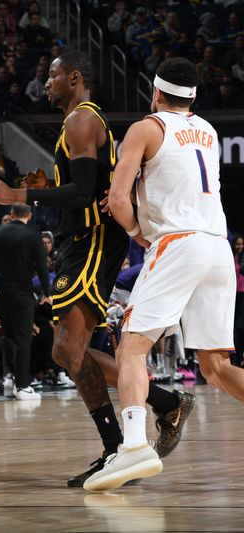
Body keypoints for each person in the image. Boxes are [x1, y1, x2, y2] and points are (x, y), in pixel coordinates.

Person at [0, 51, 191, 487]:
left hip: (92, 241)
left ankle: (144, 424)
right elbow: (84, 186)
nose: (45, 83)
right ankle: (138, 426)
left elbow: (81, 194)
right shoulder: (79, 122)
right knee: (64, 352)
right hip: (82, 241)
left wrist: (18, 193)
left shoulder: (80, 120)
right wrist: (49, 186)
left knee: (71, 350)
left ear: (74, 78)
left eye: (52, 75)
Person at [85, 58, 242, 491]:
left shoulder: (146, 127)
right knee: (216, 366)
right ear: (192, 97)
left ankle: (134, 447)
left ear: (155, 93)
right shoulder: (208, 131)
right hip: (218, 245)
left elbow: (116, 200)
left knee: (131, 348)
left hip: (177, 243)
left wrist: (137, 229)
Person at [0, 203, 51, 400]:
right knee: (23, 338)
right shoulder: (32, 235)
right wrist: (46, 292)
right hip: (21, 292)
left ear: (11, 214)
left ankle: (9, 377)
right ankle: (23, 386)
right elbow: (42, 267)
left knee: (8, 335)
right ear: (30, 215)